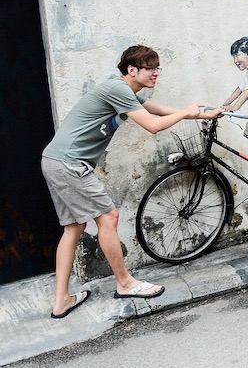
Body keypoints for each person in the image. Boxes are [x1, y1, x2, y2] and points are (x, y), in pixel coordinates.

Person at [41, 45, 222, 318]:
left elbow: (159, 110)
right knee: (109, 218)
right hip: (69, 164)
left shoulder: (124, 92)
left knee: (73, 227)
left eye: (157, 68)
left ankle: (62, 300)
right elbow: (153, 125)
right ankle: (125, 283)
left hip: (56, 161)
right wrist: (186, 113)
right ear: (131, 70)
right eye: (150, 68)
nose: (155, 74)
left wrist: (202, 114)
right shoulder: (118, 90)